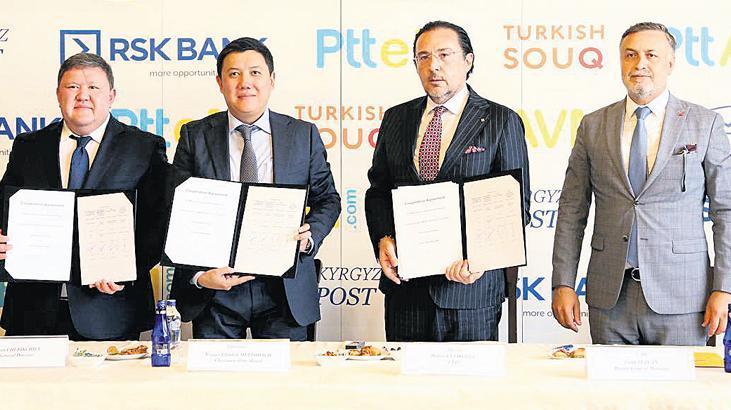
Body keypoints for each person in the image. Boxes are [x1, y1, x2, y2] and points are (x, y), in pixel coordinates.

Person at [551, 22, 731, 345]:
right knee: (609, 382)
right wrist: (563, 282)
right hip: (610, 298)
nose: (640, 64)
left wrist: (724, 287)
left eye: (651, 55)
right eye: (630, 55)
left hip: (683, 298)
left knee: (680, 382)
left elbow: (726, 211)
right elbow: (571, 210)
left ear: (670, 63)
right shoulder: (593, 125)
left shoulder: (705, 124)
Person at [364, 21, 530, 342]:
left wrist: (480, 259)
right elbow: (379, 192)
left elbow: (514, 207)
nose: (433, 66)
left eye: (444, 54)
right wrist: (383, 238)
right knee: (405, 376)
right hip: (406, 291)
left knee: (469, 377)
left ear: (468, 61)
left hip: (470, 292)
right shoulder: (396, 118)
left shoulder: (500, 120)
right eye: (423, 57)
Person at [170, 37, 340, 340]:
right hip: (217, 288)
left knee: (285, 373)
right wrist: (199, 276)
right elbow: (176, 210)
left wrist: (310, 234)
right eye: (234, 74)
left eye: (255, 73)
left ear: (272, 80)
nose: (245, 82)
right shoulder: (195, 136)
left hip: (284, 290)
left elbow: (328, 198)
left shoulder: (303, 135)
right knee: (214, 372)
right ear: (220, 82)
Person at [0, 52, 170, 340]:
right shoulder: (29, 146)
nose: (83, 96)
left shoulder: (143, 147)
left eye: (93, 87)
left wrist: (125, 269)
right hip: (32, 311)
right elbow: (5, 209)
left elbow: (158, 224)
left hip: (110, 310)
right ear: (58, 94)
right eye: (72, 87)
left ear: (111, 96)